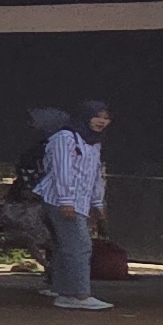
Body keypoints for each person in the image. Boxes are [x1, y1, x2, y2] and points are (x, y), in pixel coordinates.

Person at [31, 103, 108, 311]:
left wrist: (97, 202)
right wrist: (66, 201)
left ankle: (63, 290)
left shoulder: (93, 142)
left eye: (105, 118)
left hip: (78, 202)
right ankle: (78, 295)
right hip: (61, 200)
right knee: (80, 246)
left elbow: (94, 173)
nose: (102, 121)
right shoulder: (65, 138)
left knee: (66, 245)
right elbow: (62, 170)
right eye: (97, 117)